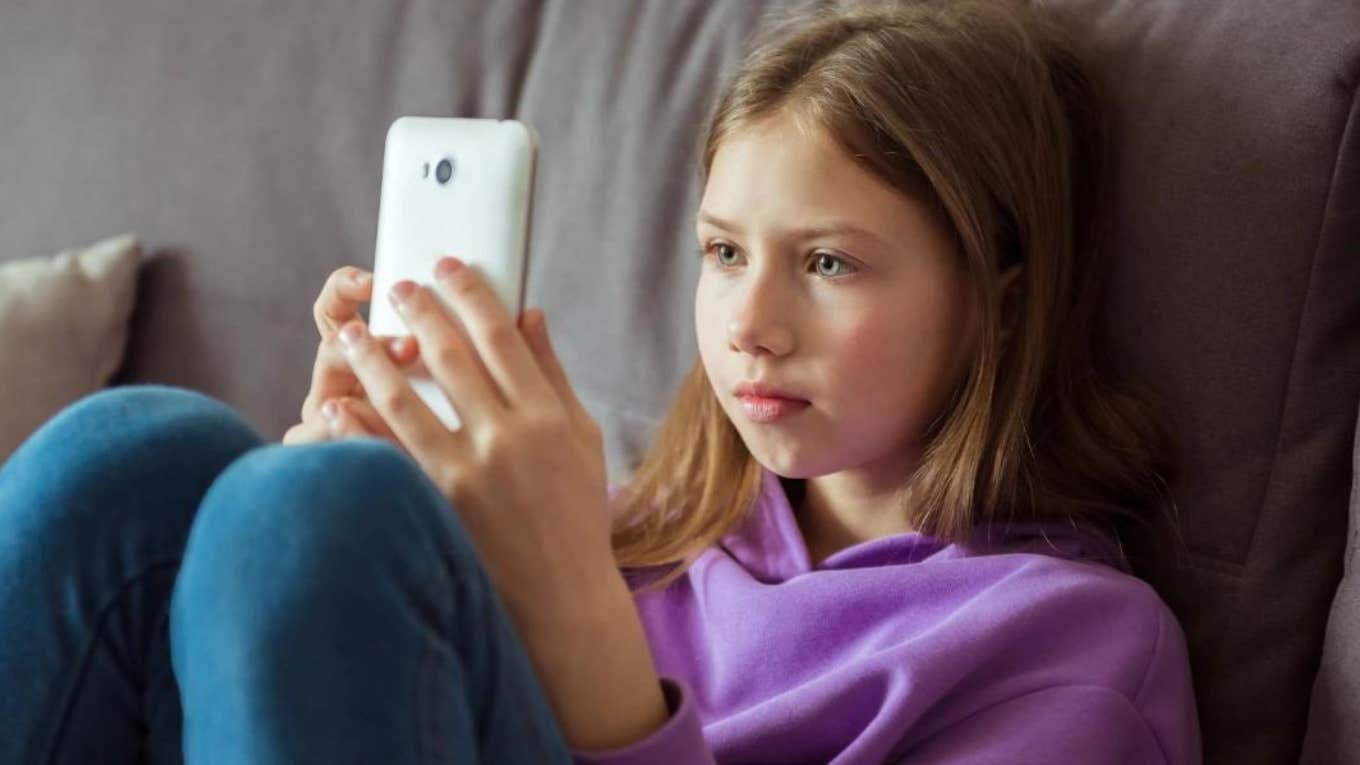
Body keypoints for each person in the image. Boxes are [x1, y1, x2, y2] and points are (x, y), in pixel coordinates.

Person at [0, 0, 1202, 762]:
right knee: (138, 453)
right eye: (725, 253)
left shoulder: (1070, 644)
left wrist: (570, 610)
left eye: (828, 263)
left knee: (303, 519)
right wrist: (329, 508)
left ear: (997, 294)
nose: (749, 325)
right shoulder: (650, 538)